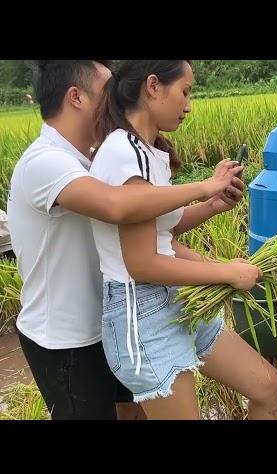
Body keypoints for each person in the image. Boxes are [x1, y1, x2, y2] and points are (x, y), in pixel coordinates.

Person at [7, 60, 242, 420]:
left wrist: (210, 206)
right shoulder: (46, 162)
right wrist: (203, 187)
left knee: (133, 415)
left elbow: (151, 227)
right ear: (76, 98)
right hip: (67, 341)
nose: (119, 98)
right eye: (108, 92)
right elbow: (118, 206)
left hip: (115, 321)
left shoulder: (90, 158)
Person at [90, 60, 277, 420]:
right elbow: (143, 263)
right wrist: (225, 273)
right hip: (142, 312)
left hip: (175, 298)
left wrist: (212, 204)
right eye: (185, 91)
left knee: (266, 385)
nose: (189, 104)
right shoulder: (123, 153)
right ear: (153, 86)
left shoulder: (146, 151)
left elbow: (164, 232)